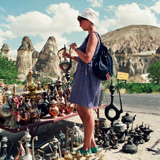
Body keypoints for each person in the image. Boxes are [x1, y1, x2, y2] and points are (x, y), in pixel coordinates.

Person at [64, 8, 101, 155]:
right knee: (79, 109)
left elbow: (87, 58)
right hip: (83, 75)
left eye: (81, 22)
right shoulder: (89, 36)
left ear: (88, 20)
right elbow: (84, 59)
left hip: (88, 77)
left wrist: (76, 48)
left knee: (88, 111)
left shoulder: (93, 35)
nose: (80, 25)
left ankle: (86, 148)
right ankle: (92, 143)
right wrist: (72, 56)